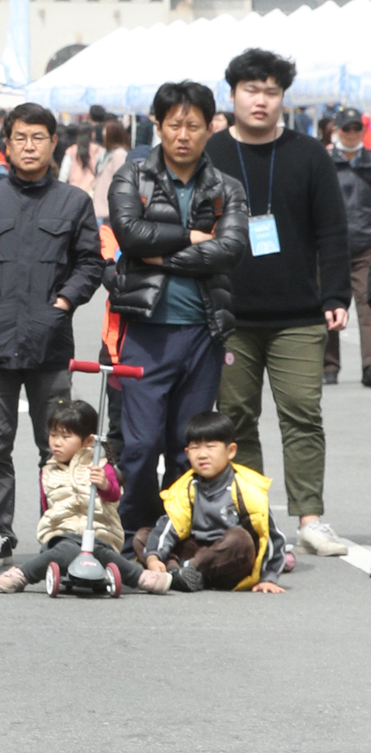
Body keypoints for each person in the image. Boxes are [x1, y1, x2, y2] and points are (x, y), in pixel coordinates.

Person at [204, 48, 351, 558]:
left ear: (282, 98)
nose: (261, 101)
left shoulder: (308, 154)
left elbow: (333, 232)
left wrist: (336, 294)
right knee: (237, 419)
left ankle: (310, 516)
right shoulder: (210, 152)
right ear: (233, 94)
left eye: (270, 92)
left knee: (302, 414)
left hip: (298, 315)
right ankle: (256, 519)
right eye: (251, 90)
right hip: (229, 313)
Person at [0, 102, 105, 568]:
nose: (30, 145)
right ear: (8, 142)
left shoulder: (73, 202)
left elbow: (90, 263)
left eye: (39, 137)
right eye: (21, 137)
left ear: (54, 143)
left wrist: (62, 304)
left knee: (56, 445)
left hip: (49, 343)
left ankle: (55, 529)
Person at [106, 81, 250, 549]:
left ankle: (179, 533)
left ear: (211, 127)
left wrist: (161, 253)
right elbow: (129, 234)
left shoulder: (226, 187)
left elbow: (229, 249)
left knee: (187, 447)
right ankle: (134, 532)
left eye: (193, 125)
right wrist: (190, 239)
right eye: (174, 125)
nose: (183, 135)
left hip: (203, 332)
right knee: (141, 444)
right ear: (158, 126)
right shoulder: (132, 176)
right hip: (144, 331)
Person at [0, 398, 153, 594]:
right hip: (62, 536)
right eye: (53, 435)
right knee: (69, 549)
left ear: (88, 441)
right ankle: (22, 574)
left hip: (98, 535)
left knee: (99, 551)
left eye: (65, 437)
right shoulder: (48, 470)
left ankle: (141, 578)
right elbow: (47, 506)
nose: (56, 442)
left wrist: (103, 484)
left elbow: (114, 497)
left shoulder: (100, 466)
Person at [134, 410, 287, 593]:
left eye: (210, 447)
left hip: (229, 560)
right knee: (143, 537)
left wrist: (268, 577)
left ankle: (181, 571)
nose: (202, 455)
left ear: (230, 451)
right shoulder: (187, 486)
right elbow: (170, 524)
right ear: (187, 453)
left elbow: (270, 536)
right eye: (195, 448)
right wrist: (153, 557)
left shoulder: (245, 488)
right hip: (197, 548)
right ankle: (182, 574)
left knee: (240, 539)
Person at [323, 109, 371, 386]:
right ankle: (329, 366)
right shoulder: (325, 161)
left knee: (367, 306)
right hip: (332, 245)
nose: (351, 133)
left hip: (365, 245)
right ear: (337, 130)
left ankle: (368, 365)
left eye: (356, 128)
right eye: (346, 128)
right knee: (329, 305)